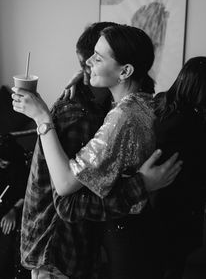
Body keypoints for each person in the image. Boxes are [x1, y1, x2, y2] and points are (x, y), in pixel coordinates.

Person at [16, 22, 182, 279]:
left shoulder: (120, 116)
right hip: (107, 241)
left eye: (98, 57)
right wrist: (85, 76)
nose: (89, 63)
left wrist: (41, 118)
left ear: (126, 71)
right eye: (89, 57)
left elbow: (64, 190)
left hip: (67, 249)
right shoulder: (144, 102)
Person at [150, 56, 206, 279]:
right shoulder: (187, 123)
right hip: (175, 212)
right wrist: (205, 190)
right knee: (171, 269)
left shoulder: (161, 105)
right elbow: (189, 173)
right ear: (204, 88)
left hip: (156, 210)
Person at [0, 134, 30, 279]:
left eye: (5, 161)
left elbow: (27, 192)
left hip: (11, 210)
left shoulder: (19, 168)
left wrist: (14, 210)